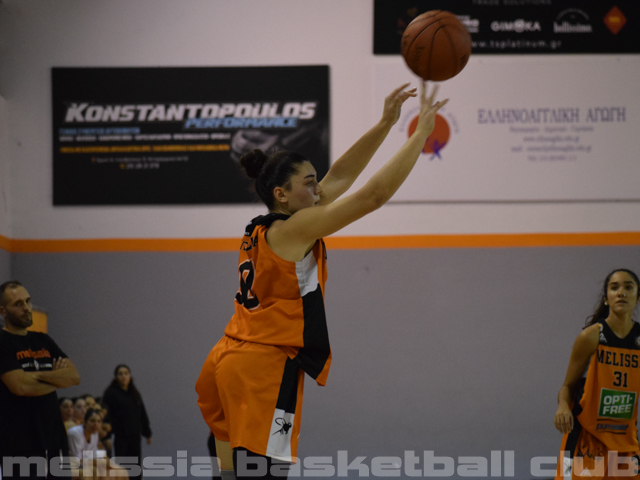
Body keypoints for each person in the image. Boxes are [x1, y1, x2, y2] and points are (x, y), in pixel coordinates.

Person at [196, 82, 447, 480]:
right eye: (309, 183)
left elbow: (342, 175)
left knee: (228, 473)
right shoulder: (296, 229)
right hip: (263, 368)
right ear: (282, 194)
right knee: (263, 474)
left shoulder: (266, 226)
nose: (319, 189)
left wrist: (385, 123)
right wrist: (419, 135)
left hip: (227, 358)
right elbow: (373, 196)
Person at [554, 269, 640, 480]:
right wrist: (563, 406)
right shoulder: (591, 336)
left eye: (628, 287)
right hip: (586, 438)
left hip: (624, 440)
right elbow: (567, 386)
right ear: (606, 298)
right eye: (614, 287)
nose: (621, 292)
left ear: (637, 297)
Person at [0, 280, 80, 479]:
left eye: (28, 301)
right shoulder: (2, 342)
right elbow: (20, 386)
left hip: (54, 439)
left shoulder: (43, 340)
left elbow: (73, 377)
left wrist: (34, 376)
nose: (26, 308)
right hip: (18, 444)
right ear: (3, 311)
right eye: (18, 304)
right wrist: (55, 378)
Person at [102, 364, 152, 479]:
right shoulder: (111, 393)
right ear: (116, 377)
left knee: (135, 467)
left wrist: (147, 432)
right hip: (119, 436)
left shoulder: (134, 393)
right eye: (120, 374)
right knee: (120, 466)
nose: (123, 376)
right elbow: (106, 415)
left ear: (130, 376)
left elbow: (142, 413)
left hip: (134, 435)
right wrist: (106, 437)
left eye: (126, 373)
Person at [67, 408, 127, 479]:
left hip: (85, 463)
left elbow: (94, 453)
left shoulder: (94, 433)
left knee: (122, 471)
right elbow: (77, 460)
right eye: (92, 421)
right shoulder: (75, 434)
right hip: (70, 464)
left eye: (99, 421)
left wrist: (108, 461)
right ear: (85, 422)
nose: (96, 424)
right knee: (93, 472)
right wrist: (100, 462)